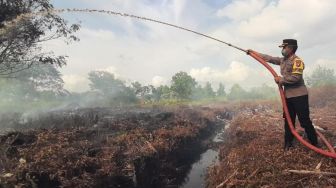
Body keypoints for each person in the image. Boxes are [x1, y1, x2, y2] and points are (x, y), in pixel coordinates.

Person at [250, 39, 318, 150]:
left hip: (299, 96)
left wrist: (281, 79)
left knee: (304, 121)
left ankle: (314, 143)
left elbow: (296, 78)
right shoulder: (283, 60)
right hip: (288, 96)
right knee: (288, 121)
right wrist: (253, 53)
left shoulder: (297, 61)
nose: (282, 50)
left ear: (290, 48)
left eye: (284, 47)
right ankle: (288, 143)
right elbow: (269, 58)